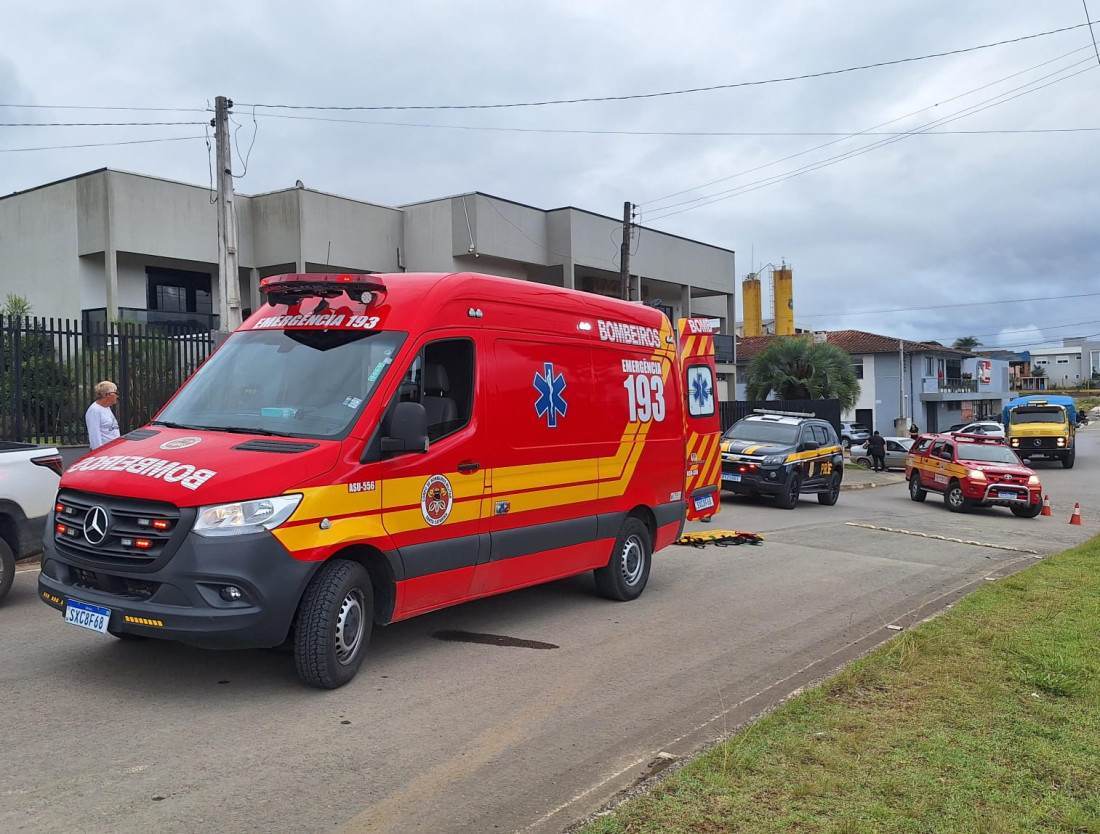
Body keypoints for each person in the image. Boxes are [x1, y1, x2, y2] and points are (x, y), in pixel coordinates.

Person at [86, 380, 120, 450]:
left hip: (113, 450)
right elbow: (94, 435)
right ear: (106, 395)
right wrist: (99, 452)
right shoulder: (94, 410)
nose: (117, 396)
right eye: (115, 393)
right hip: (104, 453)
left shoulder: (107, 407)